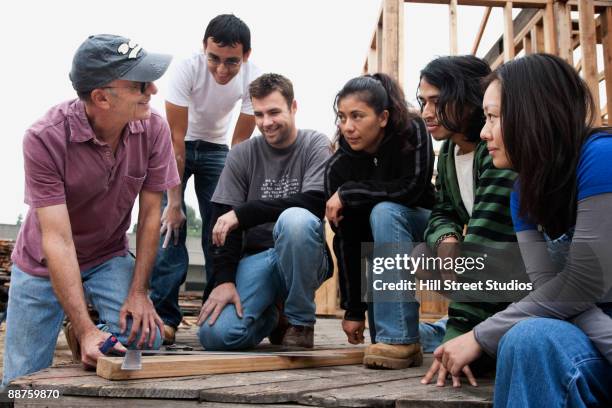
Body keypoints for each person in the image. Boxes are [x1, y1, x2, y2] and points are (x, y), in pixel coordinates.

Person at [425, 53, 612, 406]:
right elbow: (556, 291)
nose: (483, 132)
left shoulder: (601, 158)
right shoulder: (522, 191)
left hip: (590, 337)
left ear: (532, 113)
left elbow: (583, 283)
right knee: (526, 337)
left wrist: (478, 336)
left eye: (493, 117)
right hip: (596, 339)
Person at [2, 34, 178, 386]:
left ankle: (93, 332)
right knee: (20, 385)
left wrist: (139, 293)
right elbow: (58, 240)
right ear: (101, 97)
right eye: (140, 84)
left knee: (145, 338)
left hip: (107, 256)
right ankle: (81, 327)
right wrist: (84, 330)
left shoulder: (154, 128)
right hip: (43, 263)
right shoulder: (43, 138)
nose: (153, 90)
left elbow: (149, 219)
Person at [196, 73, 332, 350]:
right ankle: (273, 317)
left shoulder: (315, 144)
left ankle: (300, 322)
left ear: (293, 107)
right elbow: (223, 223)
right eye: (258, 114)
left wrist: (245, 213)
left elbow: (315, 202)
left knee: (294, 220)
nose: (266, 123)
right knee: (215, 336)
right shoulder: (241, 154)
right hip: (257, 258)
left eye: (274, 112)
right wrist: (224, 280)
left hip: (305, 256)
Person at [150, 14, 261, 345]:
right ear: (204, 49)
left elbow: (239, 146)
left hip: (217, 150)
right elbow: (174, 138)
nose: (222, 70)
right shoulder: (187, 69)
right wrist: (173, 203)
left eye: (232, 62)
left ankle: (214, 314)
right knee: (169, 227)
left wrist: (229, 201)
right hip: (177, 146)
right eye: (214, 58)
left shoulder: (253, 81)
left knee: (221, 227)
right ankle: (166, 317)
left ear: (246, 56)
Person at [417, 55, 517, 384]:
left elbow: (488, 242)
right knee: (419, 256)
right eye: (423, 101)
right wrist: (446, 240)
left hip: (520, 270)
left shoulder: (499, 150)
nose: (426, 113)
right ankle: (457, 329)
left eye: (437, 101)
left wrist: (459, 339)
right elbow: (442, 210)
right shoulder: (448, 151)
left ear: (470, 100)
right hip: (485, 269)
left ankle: (470, 330)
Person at [325, 73, 436, 369]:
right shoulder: (339, 167)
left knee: (385, 211)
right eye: (342, 117)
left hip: (429, 234)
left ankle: (400, 339)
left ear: (383, 117)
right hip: (382, 255)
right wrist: (353, 310)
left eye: (357, 116)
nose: (348, 127)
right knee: (380, 337)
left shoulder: (412, 132)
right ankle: (416, 335)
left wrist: (349, 193)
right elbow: (347, 239)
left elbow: (412, 189)